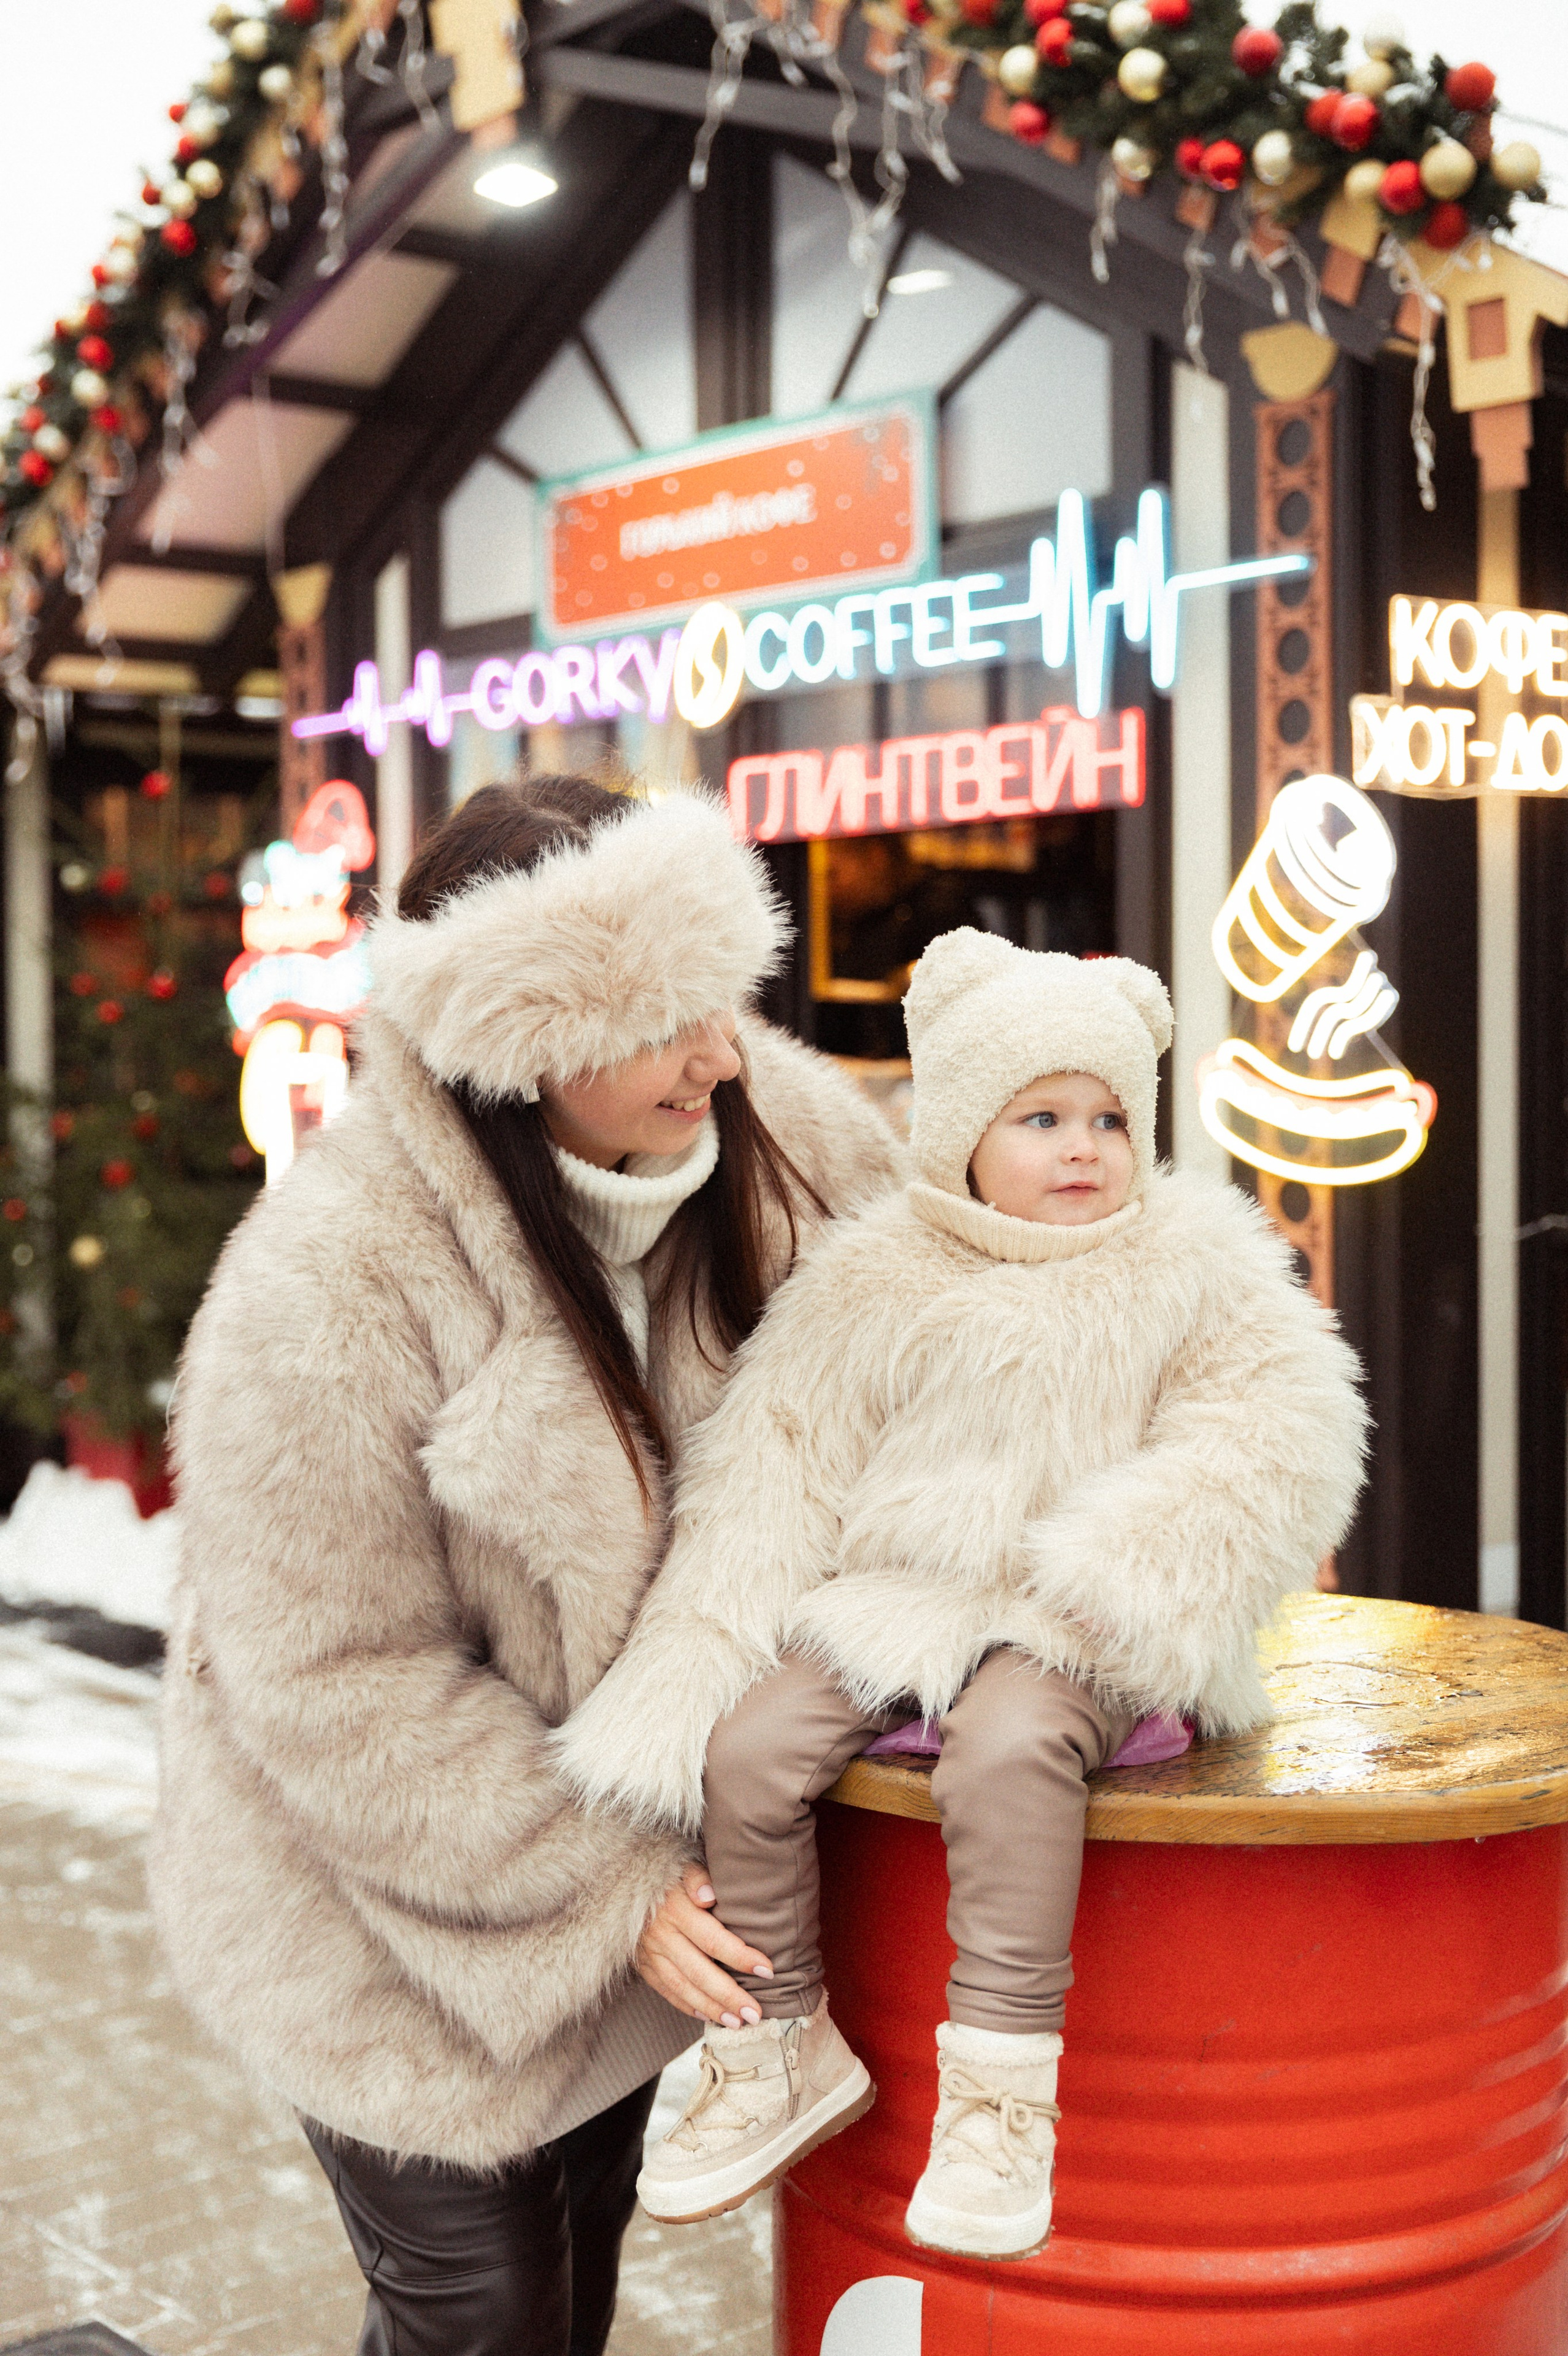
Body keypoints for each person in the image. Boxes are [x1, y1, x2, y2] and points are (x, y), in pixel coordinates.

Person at [148, 777, 902, 2356]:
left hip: (613, 1888)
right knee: (486, 2310)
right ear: (514, 1044)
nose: (718, 1053)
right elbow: (336, 1685)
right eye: (658, 1020)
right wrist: (611, 1890)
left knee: (574, 2257)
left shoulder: (789, 1144)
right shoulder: (328, 1286)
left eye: (718, 996)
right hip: (373, 1909)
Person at [556, 928, 1369, 2263]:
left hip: (1082, 1612)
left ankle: (1000, 2091)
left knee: (1006, 1750)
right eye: (1039, 1118)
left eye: (1108, 1118)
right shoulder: (880, 1272)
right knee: (748, 1749)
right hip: (907, 1596)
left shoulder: (1193, 1262)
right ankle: (775, 2041)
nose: (1081, 1148)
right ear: (958, 1139)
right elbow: (783, 1454)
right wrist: (706, 1638)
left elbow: (1278, 1431)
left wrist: (1129, 1570)